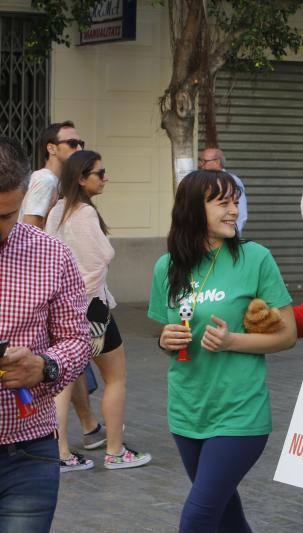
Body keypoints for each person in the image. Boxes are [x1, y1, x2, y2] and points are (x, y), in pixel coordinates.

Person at [148, 170, 296, 532]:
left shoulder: (255, 258)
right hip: (187, 412)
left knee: (198, 516)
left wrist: (234, 341)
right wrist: (164, 340)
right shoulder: (166, 267)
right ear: (193, 210)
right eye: (223, 202)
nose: (234, 210)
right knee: (226, 515)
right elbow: (166, 330)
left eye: (235, 201)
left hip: (240, 414)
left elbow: (288, 334)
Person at [0, 136, 91, 532]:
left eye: (7, 215)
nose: (0, 228)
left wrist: (46, 366)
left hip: (27, 453)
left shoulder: (52, 254)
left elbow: (78, 339)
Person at [46, 150, 151, 470]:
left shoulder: (57, 210)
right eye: (99, 173)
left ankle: (60, 452)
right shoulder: (84, 214)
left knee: (61, 382)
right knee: (115, 377)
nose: (105, 178)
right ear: (81, 178)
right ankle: (115, 451)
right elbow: (97, 263)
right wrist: (92, 314)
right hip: (92, 309)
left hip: (60, 307)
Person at [18, 122, 103, 451]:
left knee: (72, 358)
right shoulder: (45, 180)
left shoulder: (59, 182)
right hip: (43, 282)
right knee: (62, 361)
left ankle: (88, 426)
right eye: (70, 142)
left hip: (56, 282)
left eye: (81, 141)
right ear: (51, 148)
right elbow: (32, 229)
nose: (78, 147)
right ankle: (62, 442)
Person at [198, 147, 248, 233]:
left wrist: (233, 237)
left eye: (205, 161)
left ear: (217, 161)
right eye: (201, 161)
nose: (201, 165)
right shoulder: (201, 180)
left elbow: (241, 212)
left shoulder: (231, 180)